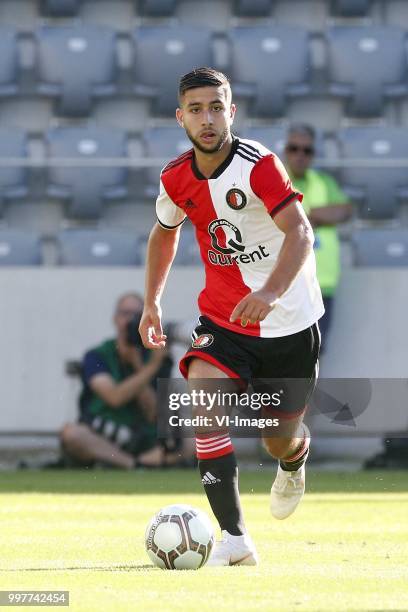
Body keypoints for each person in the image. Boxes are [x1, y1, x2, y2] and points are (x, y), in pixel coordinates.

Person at [139, 67, 324, 566]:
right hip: (224, 321)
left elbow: (302, 234)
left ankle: (295, 458)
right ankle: (236, 539)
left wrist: (269, 291)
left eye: (216, 107)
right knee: (204, 398)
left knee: (278, 439)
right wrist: (151, 301)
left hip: (289, 323)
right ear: (180, 118)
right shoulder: (175, 176)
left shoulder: (259, 164)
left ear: (231, 112)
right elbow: (164, 232)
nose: (207, 119)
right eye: (196, 109)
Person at [61, 292, 174, 469]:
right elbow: (114, 397)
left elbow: (154, 415)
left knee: (196, 437)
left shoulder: (156, 356)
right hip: (105, 434)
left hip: (145, 437)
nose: (130, 321)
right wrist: (150, 368)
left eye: (137, 316)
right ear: (115, 319)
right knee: (72, 433)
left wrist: (138, 365)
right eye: (125, 314)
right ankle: (133, 464)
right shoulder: (97, 355)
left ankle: (139, 461)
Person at [284, 124, 352, 344]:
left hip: (322, 284)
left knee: (316, 348)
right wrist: (315, 217)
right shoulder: (275, 180)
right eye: (294, 148)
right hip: (285, 284)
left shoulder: (324, 182)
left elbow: (345, 210)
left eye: (307, 150)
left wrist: (308, 215)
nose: (300, 155)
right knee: (285, 350)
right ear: (286, 150)